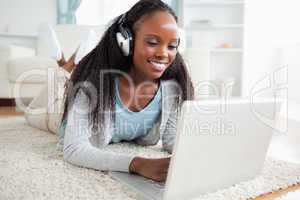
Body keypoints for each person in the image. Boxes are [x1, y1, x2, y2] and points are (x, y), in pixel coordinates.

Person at [29, 0, 194, 182]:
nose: (164, 53)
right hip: (57, 117)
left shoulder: (171, 89)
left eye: (172, 46)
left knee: (66, 81)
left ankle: (68, 63)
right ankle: (63, 65)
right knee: (35, 110)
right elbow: (73, 149)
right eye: (153, 42)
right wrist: (136, 164)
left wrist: (199, 152)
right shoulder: (95, 85)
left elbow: (171, 138)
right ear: (126, 41)